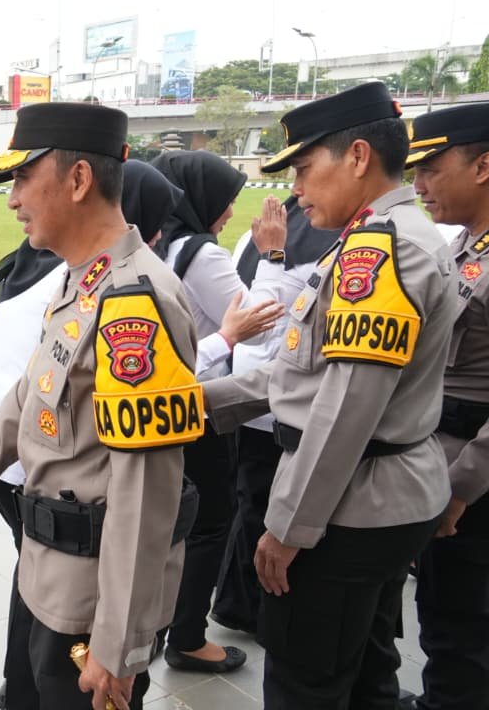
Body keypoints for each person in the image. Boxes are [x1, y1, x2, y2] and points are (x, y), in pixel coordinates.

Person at [0, 102, 200, 710]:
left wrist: (119, 644)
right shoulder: (81, 280)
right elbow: (22, 406)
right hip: (47, 573)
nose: (13, 200)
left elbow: (147, 491)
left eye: (24, 178)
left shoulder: (134, 302)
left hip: (93, 606)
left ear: (78, 180)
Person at [201, 82, 456, 709]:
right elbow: (298, 374)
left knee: (305, 682)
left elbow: (346, 407)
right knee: (366, 669)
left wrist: (288, 526)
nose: (295, 190)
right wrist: (194, 401)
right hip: (372, 498)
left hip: (350, 508)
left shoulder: (382, 253)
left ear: (358, 157)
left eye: (304, 169)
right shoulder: (377, 237)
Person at [147, 150, 295, 674]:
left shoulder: (159, 245)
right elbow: (260, 324)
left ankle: (164, 625)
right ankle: (187, 637)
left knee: (176, 520)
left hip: (167, 403)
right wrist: (273, 257)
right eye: (226, 201)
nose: (231, 212)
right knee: (209, 524)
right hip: (204, 405)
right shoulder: (202, 254)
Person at [210, 197, 339, 635]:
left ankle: (238, 604)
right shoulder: (307, 255)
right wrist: (274, 258)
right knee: (259, 507)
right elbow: (265, 326)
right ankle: (245, 606)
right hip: (272, 397)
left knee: (250, 501)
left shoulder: (254, 242)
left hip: (252, 391)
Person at [407, 102, 489, 710]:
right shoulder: (463, 244)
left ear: (483, 166)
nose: (418, 186)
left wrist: (462, 486)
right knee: (441, 616)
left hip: (474, 482)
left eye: (431, 169)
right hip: (440, 456)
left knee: (464, 629)